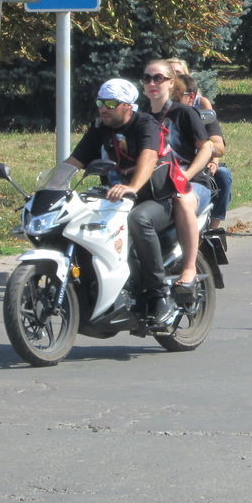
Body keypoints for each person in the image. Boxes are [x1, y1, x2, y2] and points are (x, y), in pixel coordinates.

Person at [63, 78, 180, 323]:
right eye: (100, 102)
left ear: (127, 105)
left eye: (110, 103)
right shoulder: (100, 128)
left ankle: (160, 296)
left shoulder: (146, 124)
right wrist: (49, 189)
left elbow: (149, 156)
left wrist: (132, 187)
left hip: (157, 198)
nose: (103, 108)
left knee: (138, 219)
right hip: (117, 199)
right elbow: (74, 162)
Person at [141, 60, 215, 311]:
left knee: (182, 199)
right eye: (147, 78)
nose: (152, 83)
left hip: (193, 184)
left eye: (158, 78)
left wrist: (187, 175)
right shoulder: (140, 117)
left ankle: (189, 268)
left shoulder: (184, 113)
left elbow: (207, 148)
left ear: (172, 83)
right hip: (156, 186)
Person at [178, 73, 232, 230]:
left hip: (196, 172)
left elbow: (217, 146)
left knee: (223, 175)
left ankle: (213, 229)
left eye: (177, 93)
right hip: (168, 171)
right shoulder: (155, 116)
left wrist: (209, 156)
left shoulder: (201, 115)